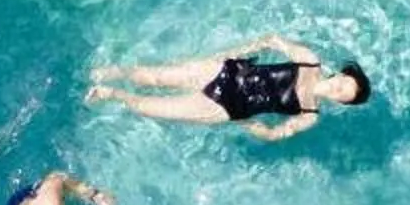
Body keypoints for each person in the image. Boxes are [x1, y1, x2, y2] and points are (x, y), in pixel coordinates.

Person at [87, 37, 369, 140]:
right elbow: (272, 40)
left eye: (345, 94)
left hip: (225, 108)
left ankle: (113, 93)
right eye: (344, 82)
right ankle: (113, 72)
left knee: (156, 109)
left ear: (342, 103)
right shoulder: (310, 62)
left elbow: (273, 134)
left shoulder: (310, 114)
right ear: (340, 74)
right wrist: (231, 54)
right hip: (227, 71)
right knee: (157, 77)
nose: (338, 89)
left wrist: (247, 122)